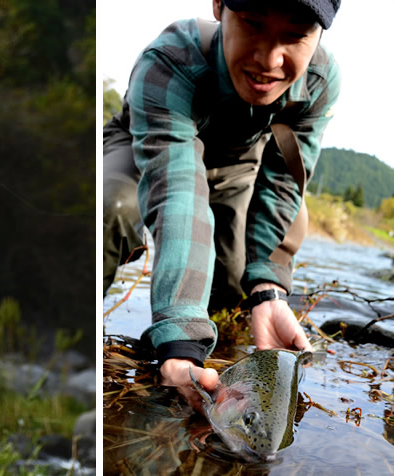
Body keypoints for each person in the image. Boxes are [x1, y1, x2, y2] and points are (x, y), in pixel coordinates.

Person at [103, 0, 339, 409]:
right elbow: (176, 187)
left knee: (232, 285)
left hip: (233, 168)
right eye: (252, 24)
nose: (269, 60)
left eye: (295, 36)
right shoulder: (171, 58)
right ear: (219, 6)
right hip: (148, 147)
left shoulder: (318, 81)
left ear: (318, 36)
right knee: (113, 208)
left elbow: (283, 184)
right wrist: (181, 339)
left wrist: (267, 290)